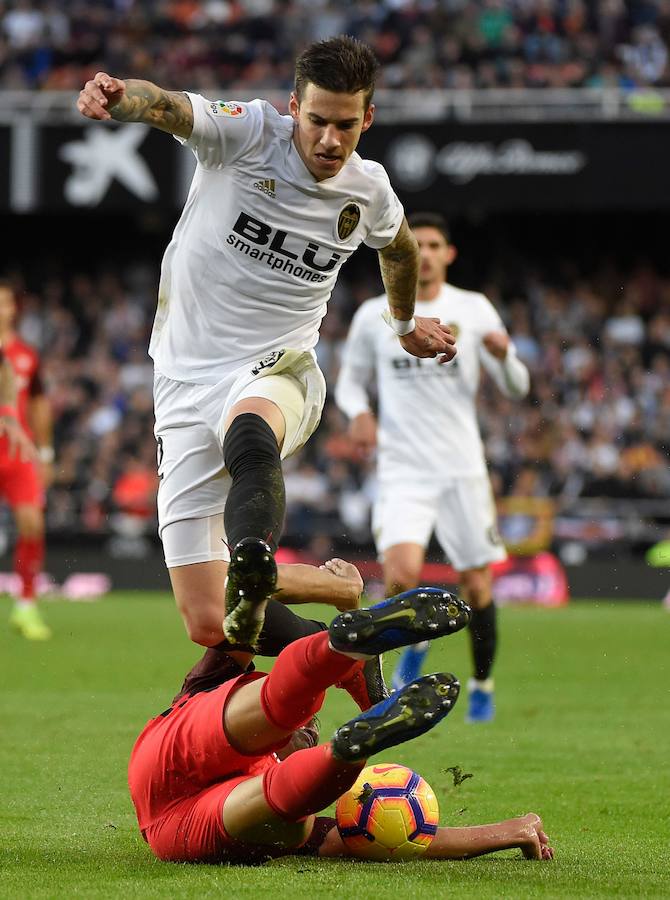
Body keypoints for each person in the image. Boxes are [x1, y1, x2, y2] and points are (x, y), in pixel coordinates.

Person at [76, 35, 456, 662]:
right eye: (316, 122)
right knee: (208, 618)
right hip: (181, 379)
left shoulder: (368, 190)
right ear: (293, 108)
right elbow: (167, 106)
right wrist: (121, 100)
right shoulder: (249, 135)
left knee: (249, 426)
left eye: (345, 125)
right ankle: (345, 641)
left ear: (368, 118)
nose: (330, 142)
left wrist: (405, 321)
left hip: (281, 367)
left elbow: (401, 248)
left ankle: (255, 554)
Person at [128, 587, 553, 864]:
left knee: (291, 820)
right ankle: (338, 651)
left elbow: (394, 835)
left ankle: (345, 745)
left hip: (206, 813)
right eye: (314, 727)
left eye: (315, 729)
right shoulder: (213, 689)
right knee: (278, 711)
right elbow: (243, 602)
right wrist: (335, 596)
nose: (312, 728)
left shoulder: (281, 769)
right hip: (172, 766)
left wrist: (507, 831)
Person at [335, 213, 530, 722]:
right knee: (399, 577)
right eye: (414, 244)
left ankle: (482, 683)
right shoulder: (375, 314)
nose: (424, 252)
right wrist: (358, 415)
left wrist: (506, 359)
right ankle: (411, 651)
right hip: (402, 468)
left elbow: (518, 387)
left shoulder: (474, 308)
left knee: (478, 585)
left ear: (449, 254)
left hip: (462, 469)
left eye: (434, 244)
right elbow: (350, 381)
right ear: (403, 253)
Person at [0, 281, 54, 641]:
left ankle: (26, 604)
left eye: (5, 302)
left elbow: (37, 402)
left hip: (17, 453)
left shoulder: (25, 355)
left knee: (32, 524)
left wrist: (46, 451)